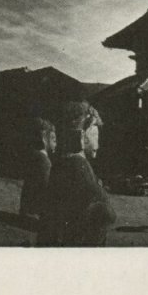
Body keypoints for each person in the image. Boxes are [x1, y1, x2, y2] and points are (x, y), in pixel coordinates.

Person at [41, 101, 116, 246]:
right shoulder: (79, 166)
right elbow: (106, 214)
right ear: (81, 136)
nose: (97, 144)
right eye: (94, 133)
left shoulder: (63, 163)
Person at [20, 118, 55, 233]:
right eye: (53, 139)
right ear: (44, 139)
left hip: (26, 212)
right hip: (34, 217)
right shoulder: (43, 161)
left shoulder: (34, 156)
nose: (56, 143)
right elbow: (46, 188)